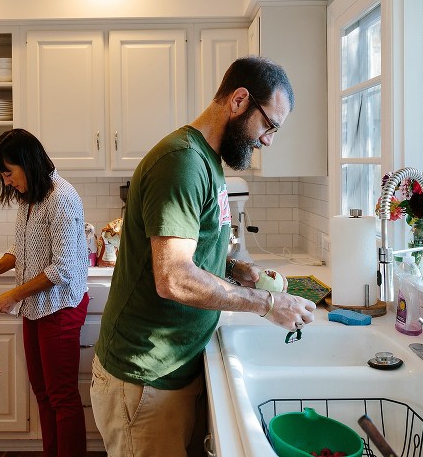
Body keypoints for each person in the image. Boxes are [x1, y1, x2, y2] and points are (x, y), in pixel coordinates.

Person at [91, 56, 316, 457]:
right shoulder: (181, 162)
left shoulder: (208, 160)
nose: (268, 140)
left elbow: (188, 251)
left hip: (175, 366)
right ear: (240, 100)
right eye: (269, 126)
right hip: (145, 377)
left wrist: (232, 267)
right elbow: (174, 277)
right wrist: (268, 303)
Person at [0, 129, 89, 457]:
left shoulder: (62, 197)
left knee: (62, 397)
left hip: (60, 308)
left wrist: (13, 296)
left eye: (8, 172)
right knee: (42, 393)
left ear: (27, 163)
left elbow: (64, 268)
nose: (7, 181)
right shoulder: (30, 197)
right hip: (35, 309)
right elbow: (21, 250)